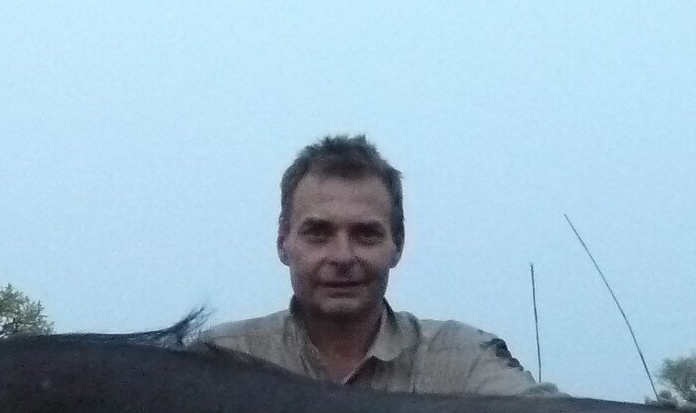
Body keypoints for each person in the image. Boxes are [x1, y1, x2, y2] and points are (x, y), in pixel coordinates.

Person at [198, 134, 554, 396]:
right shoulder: (220, 361)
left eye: (366, 234)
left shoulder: (462, 359)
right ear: (283, 242)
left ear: (397, 244)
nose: (342, 257)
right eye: (318, 233)